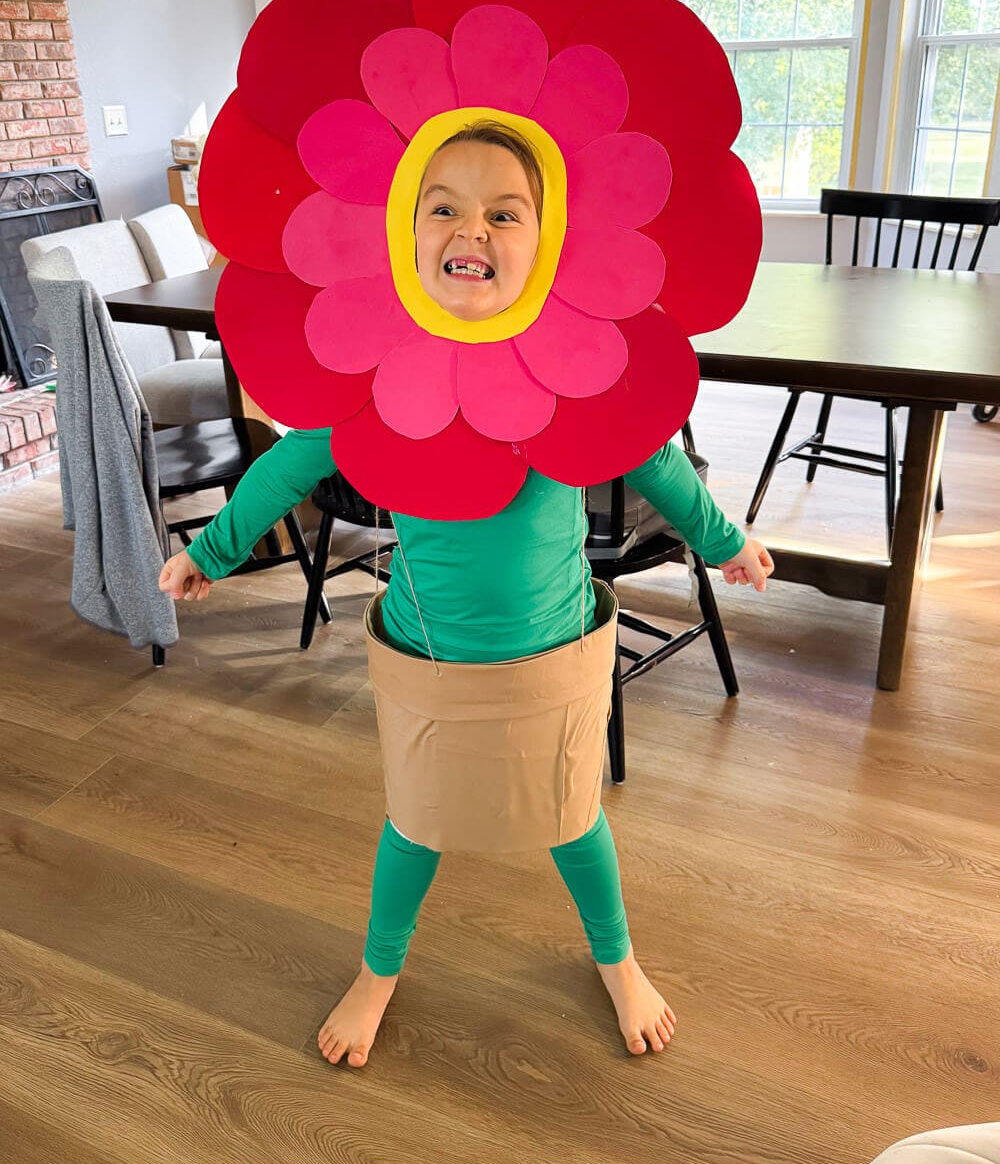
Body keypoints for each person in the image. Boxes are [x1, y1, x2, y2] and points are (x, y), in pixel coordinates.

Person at [160, 121, 773, 1069]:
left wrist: (724, 540)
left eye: (503, 212)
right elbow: (292, 459)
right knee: (416, 825)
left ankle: (616, 960)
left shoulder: (573, 370)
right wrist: (216, 545)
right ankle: (379, 969)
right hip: (428, 656)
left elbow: (653, 455)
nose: (471, 230)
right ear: (406, 235)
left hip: (557, 645)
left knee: (574, 821)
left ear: (548, 238)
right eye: (443, 207)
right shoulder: (381, 379)